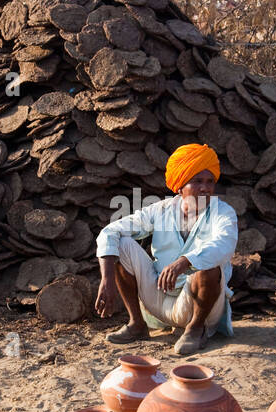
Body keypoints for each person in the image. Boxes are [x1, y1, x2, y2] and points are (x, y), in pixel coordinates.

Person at [94, 143, 238, 355]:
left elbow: (223, 245)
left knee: (208, 264)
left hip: (202, 308)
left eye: (210, 182)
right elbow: (110, 232)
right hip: (160, 298)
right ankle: (137, 324)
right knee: (122, 244)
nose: (205, 188)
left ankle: (195, 330)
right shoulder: (161, 210)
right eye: (197, 181)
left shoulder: (223, 213)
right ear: (180, 186)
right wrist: (107, 280)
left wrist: (185, 261)